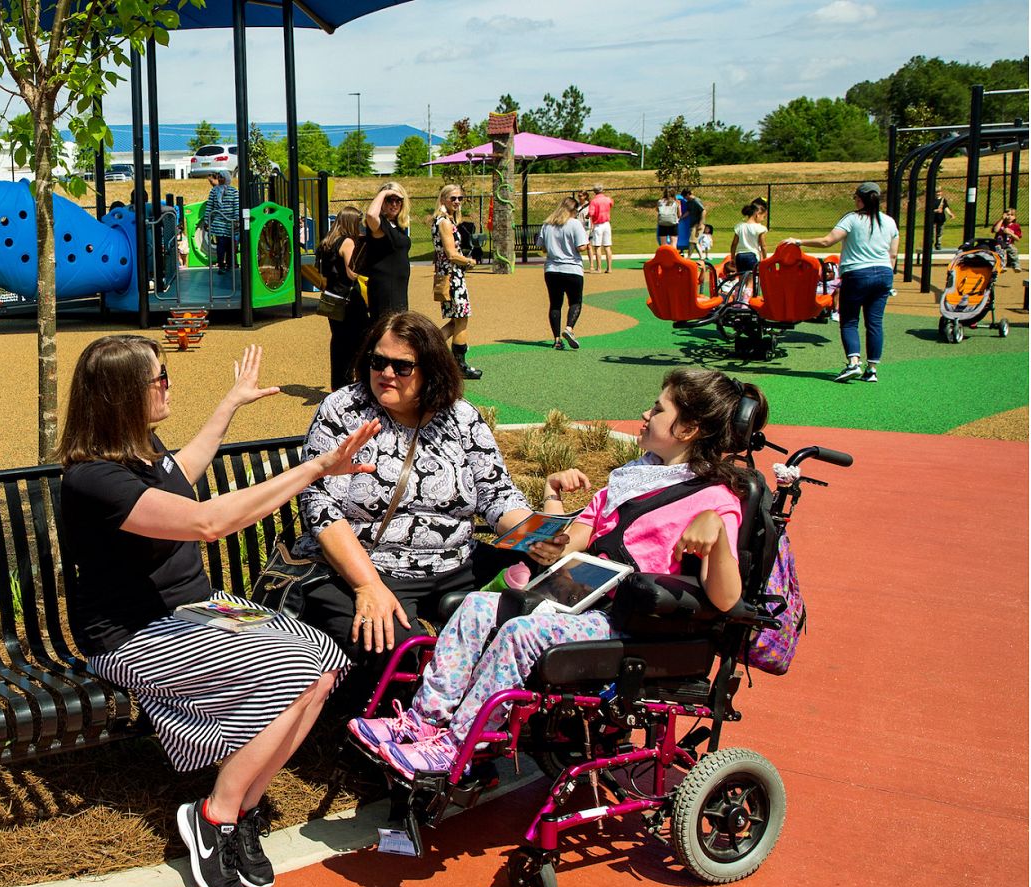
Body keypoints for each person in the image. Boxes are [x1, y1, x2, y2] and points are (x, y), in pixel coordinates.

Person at [57, 335, 378, 887]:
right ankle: (214, 814)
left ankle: (244, 810)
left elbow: (180, 475)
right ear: (122, 393)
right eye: (159, 376)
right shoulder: (93, 479)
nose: (169, 382)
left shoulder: (137, 451)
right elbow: (206, 522)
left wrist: (228, 406)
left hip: (194, 613)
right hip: (131, 634)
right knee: (298, 668)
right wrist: (316, 468)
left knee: (326, 665)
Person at [350, 369, 765, 776]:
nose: (645, 414)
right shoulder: (630, 480)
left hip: (632, 626)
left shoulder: (714, 500)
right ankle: (422, 720)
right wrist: (551, 497)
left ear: (688, 429)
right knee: (478, 606)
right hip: (581, 601)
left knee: (520, 634)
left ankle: (461, 744)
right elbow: (567, 544)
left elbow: (727, 599)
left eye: (657, 409)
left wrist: (715, 530)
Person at [295, 310, 540, 703]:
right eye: (378, 361)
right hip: (370, 565)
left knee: (550, 592)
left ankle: (509, 718)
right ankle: (423, 738)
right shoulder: (345, 411)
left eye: (402, 365)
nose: (385, 373)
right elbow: (320, 506)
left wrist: (536, 533)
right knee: (400, 648)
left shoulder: (460, 418)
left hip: (455, 564)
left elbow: (497, 495)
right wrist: (367, 586)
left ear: (431, 370)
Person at [787, 181, 898, 384]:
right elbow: (893, 254)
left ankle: (853, 362)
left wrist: (799, 241)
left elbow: (827, 241)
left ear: (860, 199)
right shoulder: (889, 222)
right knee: (875, 323)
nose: (854, 200)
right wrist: (887, 277)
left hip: (857, 274)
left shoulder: (852, 219)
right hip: (884, 274)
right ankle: (871, 369)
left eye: (855, 197)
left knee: (849, 320)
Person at [430, 184, 483, 380]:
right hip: (453, 276)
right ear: (443, 199)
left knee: (457, 320)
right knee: (462, 319)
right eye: (453, 198)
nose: (457, 202)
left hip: (450, 274)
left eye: (460, 198)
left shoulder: (444, 220)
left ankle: (431, 349)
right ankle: (459, 365)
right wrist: (469, 261)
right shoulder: (444, 222)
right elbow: (451, 254)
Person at [314, 206, 371, 387]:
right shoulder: (347, 242)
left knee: (338, 341)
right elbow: (352, 272)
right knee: (359, 340)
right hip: (348, 298)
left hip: (331, 296)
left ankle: (338, 384)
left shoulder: (327, 242)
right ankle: (353, 383)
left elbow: (322, 273)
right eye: (358, 222)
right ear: (351, 222)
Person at [359, 183, 413, 325]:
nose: (394, 204)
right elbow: (371, 215)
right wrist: (384, 193)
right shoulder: (379, 225)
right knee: (387, 329)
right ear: (382, 202)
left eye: (398, 200)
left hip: (398, 287)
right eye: (390, 200)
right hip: (385, 288)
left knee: (397, 328)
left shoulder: (396, 225)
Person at [538, 197, 586, 350]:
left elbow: (542, 247)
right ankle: (569, 328)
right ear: (573, 210)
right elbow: (581, 247)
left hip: (552, 270)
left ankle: (557, 339)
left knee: (555, 304)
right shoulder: (575, 224)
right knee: (575, 301)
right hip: (572, 269)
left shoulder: (547, 225)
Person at [205, 171, 240, 272]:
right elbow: (210, 207)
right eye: (219, 177)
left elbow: (236, 206)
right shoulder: (214, 191)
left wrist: (236, 220)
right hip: (218, 222)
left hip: (231, 222)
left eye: (222, 177)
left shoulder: (233, 191)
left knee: (230, 245)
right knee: (220, 244)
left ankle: (230, 264)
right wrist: (207, 221)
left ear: (227, 178)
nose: (220, 179)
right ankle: (221, 265)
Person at [732, 202, 769, 277]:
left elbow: (734, 244)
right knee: (751, 280)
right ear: (757, 214)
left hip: (739, 256)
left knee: (741, 279)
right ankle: (748, 289)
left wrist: (733, 257)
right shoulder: (759, 228)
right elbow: (763, 246)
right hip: (752, 256)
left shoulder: (740, 226)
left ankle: (740, 288)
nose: (763, 219)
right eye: (763, 217)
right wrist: (765, 259)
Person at [586, 183, 614, 274]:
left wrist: (587, 216)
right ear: (602, 190)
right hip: (607, 224)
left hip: (598, 225)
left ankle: (599, 268)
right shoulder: (608, 199)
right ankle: (609, 268)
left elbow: (591, 213)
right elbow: (611, 204)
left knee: (597, 246)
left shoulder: (594, 201)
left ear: (594, 191)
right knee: (607, 246)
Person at [677, 189, 706, 256]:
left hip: (698, 224)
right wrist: (681, 218)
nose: (684, 198)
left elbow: (703, 211)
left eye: (684, 197)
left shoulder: (696, 201)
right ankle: (700, 257)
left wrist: (700, 224)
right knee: (694, 241)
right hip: (692, 224)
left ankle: (690, 257)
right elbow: (689, 211)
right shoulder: (689, 202)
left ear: (688, 195)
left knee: (692, 241)